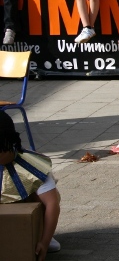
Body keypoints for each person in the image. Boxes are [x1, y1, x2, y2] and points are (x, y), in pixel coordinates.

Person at [0, 111, 61, 259]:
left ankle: (40, 232)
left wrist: (44, 242)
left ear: (10, 144)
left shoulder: (32, 168)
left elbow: (52, 204)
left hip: (26, 221)